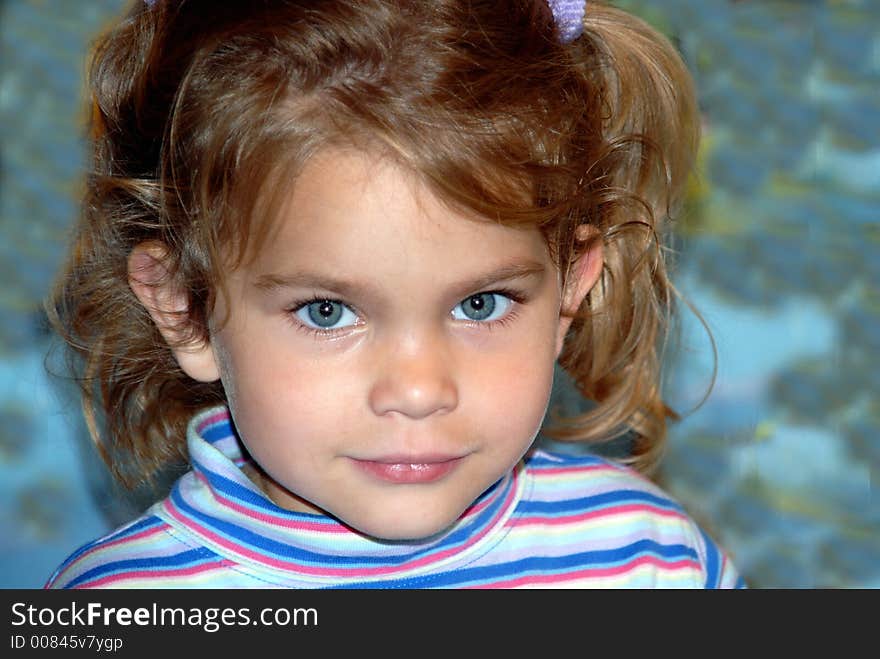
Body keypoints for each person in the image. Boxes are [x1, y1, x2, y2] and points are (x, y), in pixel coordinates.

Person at [45, 0, 745, 588]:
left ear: (569, 292)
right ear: (186, 310)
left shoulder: (651, 560)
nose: (417, 389)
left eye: (481, 304)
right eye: (328, 311)